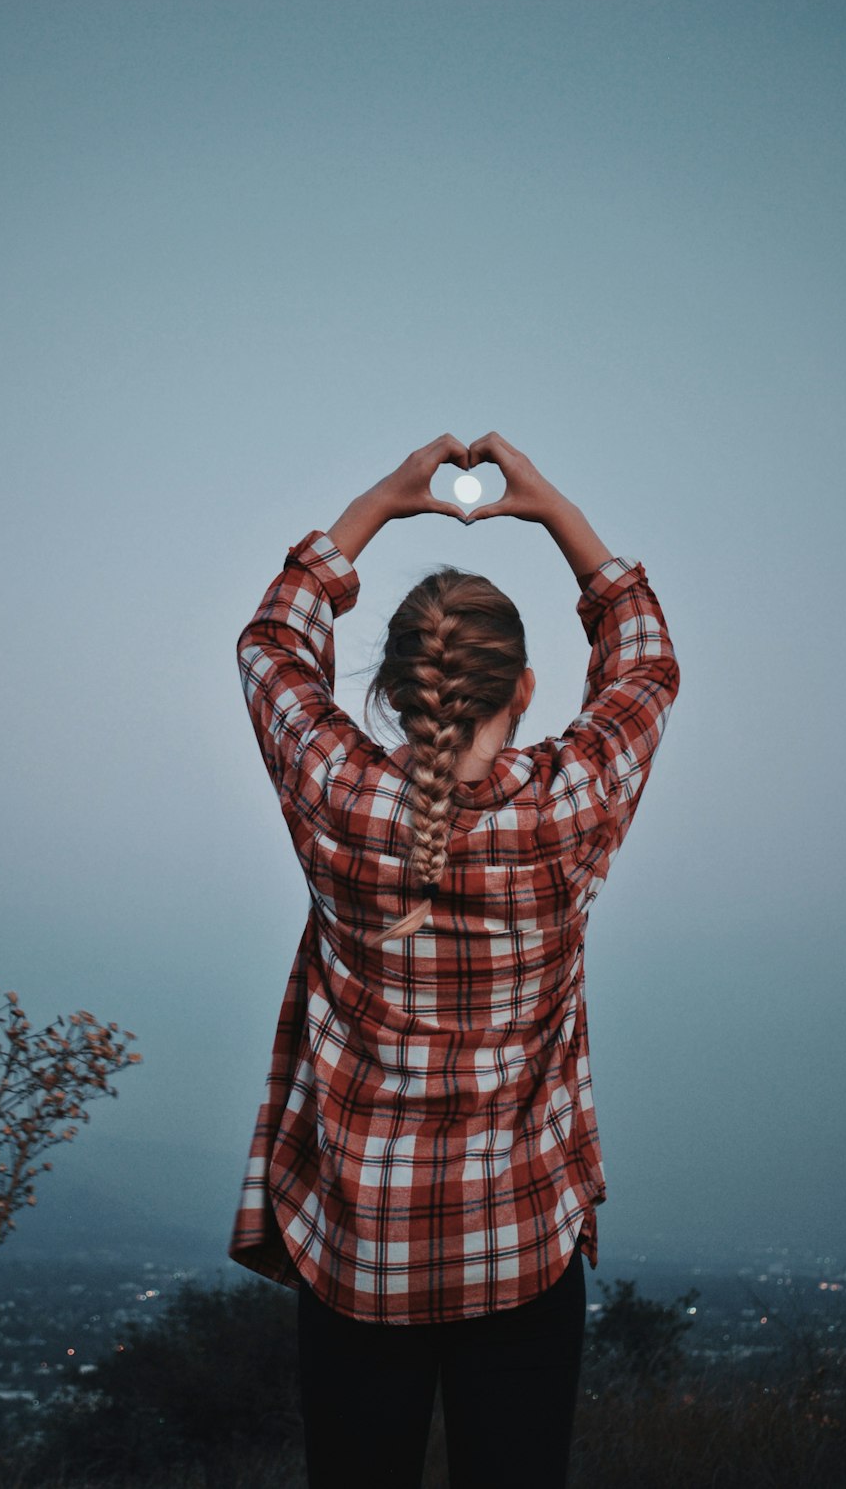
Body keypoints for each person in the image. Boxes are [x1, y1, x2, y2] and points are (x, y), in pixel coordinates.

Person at [229, 432, 680, 1489]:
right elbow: (646, 661)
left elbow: (271, 649)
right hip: (521, 1254)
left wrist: (377, 504)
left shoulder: (340, 796)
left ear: (388, 691)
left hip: (356, 1258)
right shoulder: (568, 806)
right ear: (523, 689)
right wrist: (555, 510)